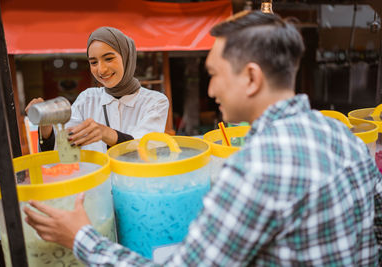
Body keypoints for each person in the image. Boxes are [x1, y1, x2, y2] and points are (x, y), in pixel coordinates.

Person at [24, 11, 382, 266]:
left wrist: (81, 238)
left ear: (252, 78)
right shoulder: (342, 134)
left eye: (213, 74)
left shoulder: (254, 168)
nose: (210, 89)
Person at [25, 27, 169, 153]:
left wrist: (106, 133)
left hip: (134, 183)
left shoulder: (155, 102)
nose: (101, 70)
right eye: (93, 62)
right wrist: (46, 126)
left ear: (126, 57)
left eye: (109, 59)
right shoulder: (87, 99)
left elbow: (146, 148)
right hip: (96, 183)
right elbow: (64, 148)